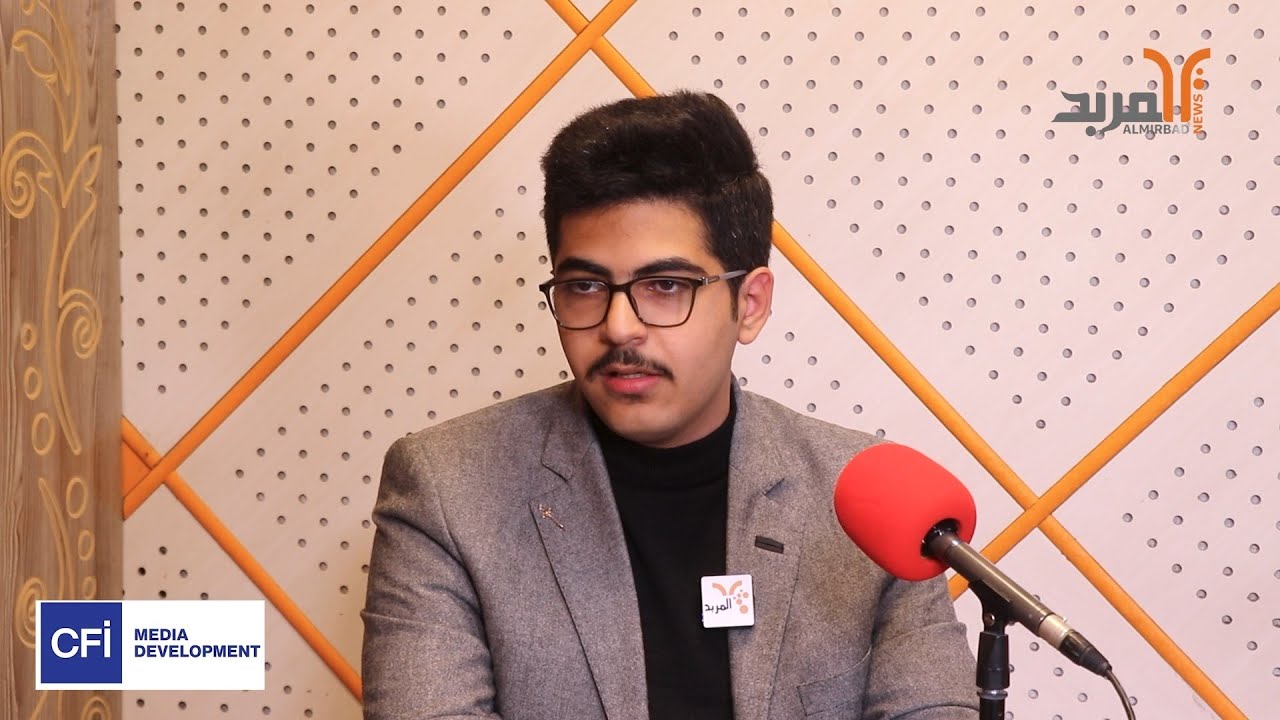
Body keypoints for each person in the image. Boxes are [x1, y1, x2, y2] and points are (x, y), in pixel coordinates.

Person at [361, 91, 979, 719]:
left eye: (664, 286)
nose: (619, 327)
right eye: (585, 286)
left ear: (750, 304)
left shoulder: (874, 504)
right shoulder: (447, 489)